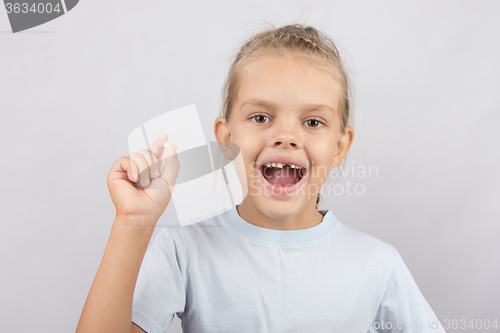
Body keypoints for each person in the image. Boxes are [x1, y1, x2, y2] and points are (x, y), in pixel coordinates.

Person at [76, 24, 446, 333]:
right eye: (260, 117)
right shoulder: (182, 251)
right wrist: (133, 224)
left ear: (339, 146)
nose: (285, 136)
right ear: (226, 137)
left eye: (312, 122)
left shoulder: (378, 265)